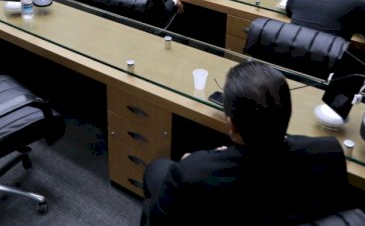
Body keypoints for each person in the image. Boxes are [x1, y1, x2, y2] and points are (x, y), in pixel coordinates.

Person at [142, 61, 350, 225]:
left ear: (231, 125)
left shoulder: (189, 173)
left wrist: (193, 163)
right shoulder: (329, 151)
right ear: (287, 114)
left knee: (157, 168)